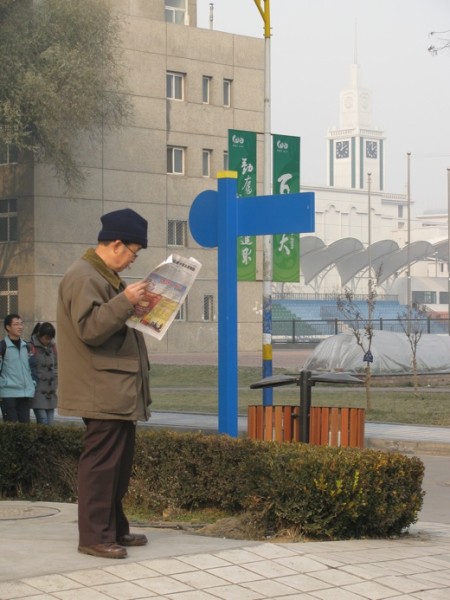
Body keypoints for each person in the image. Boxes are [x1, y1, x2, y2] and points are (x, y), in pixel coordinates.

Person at [56, 208, 152, 560]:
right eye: (132, 253)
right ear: (115, 244)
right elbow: (91, 329)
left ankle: (114, 529)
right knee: (101, 465)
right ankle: (94, 536)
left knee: (118, 464)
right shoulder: (84, 277)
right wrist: (125, 302)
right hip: (101, 387)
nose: (132, 261)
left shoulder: (104, 277)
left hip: (114, 388)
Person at [0, 314, 36, 423]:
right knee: (12, 429)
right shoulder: (2, 347)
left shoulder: (27, 346)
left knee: (25, 429)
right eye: (16, 324)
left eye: (21, 324)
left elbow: (33, 367)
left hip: (25, 393)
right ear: (8, 327)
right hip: (8, 393)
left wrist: (33, 383)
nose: (20, 327)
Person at [30, 322, 58, 425]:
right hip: (37, 391)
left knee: (50, 424)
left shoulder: (52, 347)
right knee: (43, 421)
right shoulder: (31, 346)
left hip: (50, 391)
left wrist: (55, 381)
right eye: (46, 338)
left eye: (50, 338)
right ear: (40, 335)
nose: (48, 340)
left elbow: (56, 365)